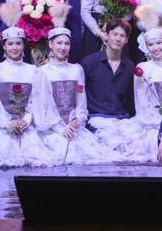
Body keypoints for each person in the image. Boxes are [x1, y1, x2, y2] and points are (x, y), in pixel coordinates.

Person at [34, 27, 121, 165]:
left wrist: (78, 119)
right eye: (59, 43)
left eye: (67, 43)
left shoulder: (76, 70)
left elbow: (81, 102)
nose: (63, 47)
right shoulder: (42, 72)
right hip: (52, 130)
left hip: (74, 129)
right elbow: (42, 107)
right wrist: (60, 129)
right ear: (50, 44)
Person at [0, 27, 58, 167]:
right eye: (10, 44)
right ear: (4, 46)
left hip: (25, 125)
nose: (14, 48)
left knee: (36, 156)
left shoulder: (33, 70)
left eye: (18, 43)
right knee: (5, 155)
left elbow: (36, 102)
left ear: (24, 45)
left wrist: (26, 120)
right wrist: (7, 123)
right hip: (2, 126)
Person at [118, 27, 162, 162]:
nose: (155, 48)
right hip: (150, 123)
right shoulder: (142, 68)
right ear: (146, 47)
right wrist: (157, 124)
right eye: (151, 44)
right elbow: (141, 101)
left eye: (159, 43)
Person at [82, 19, 136, 137]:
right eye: (114, 34)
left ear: (126, 40)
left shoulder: (130, 66)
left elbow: (131, 99)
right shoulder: (89, 62)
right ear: (106, 35)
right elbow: (80, 96)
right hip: (96, 119)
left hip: (122, 120)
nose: (118, 39)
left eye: (122, 36)